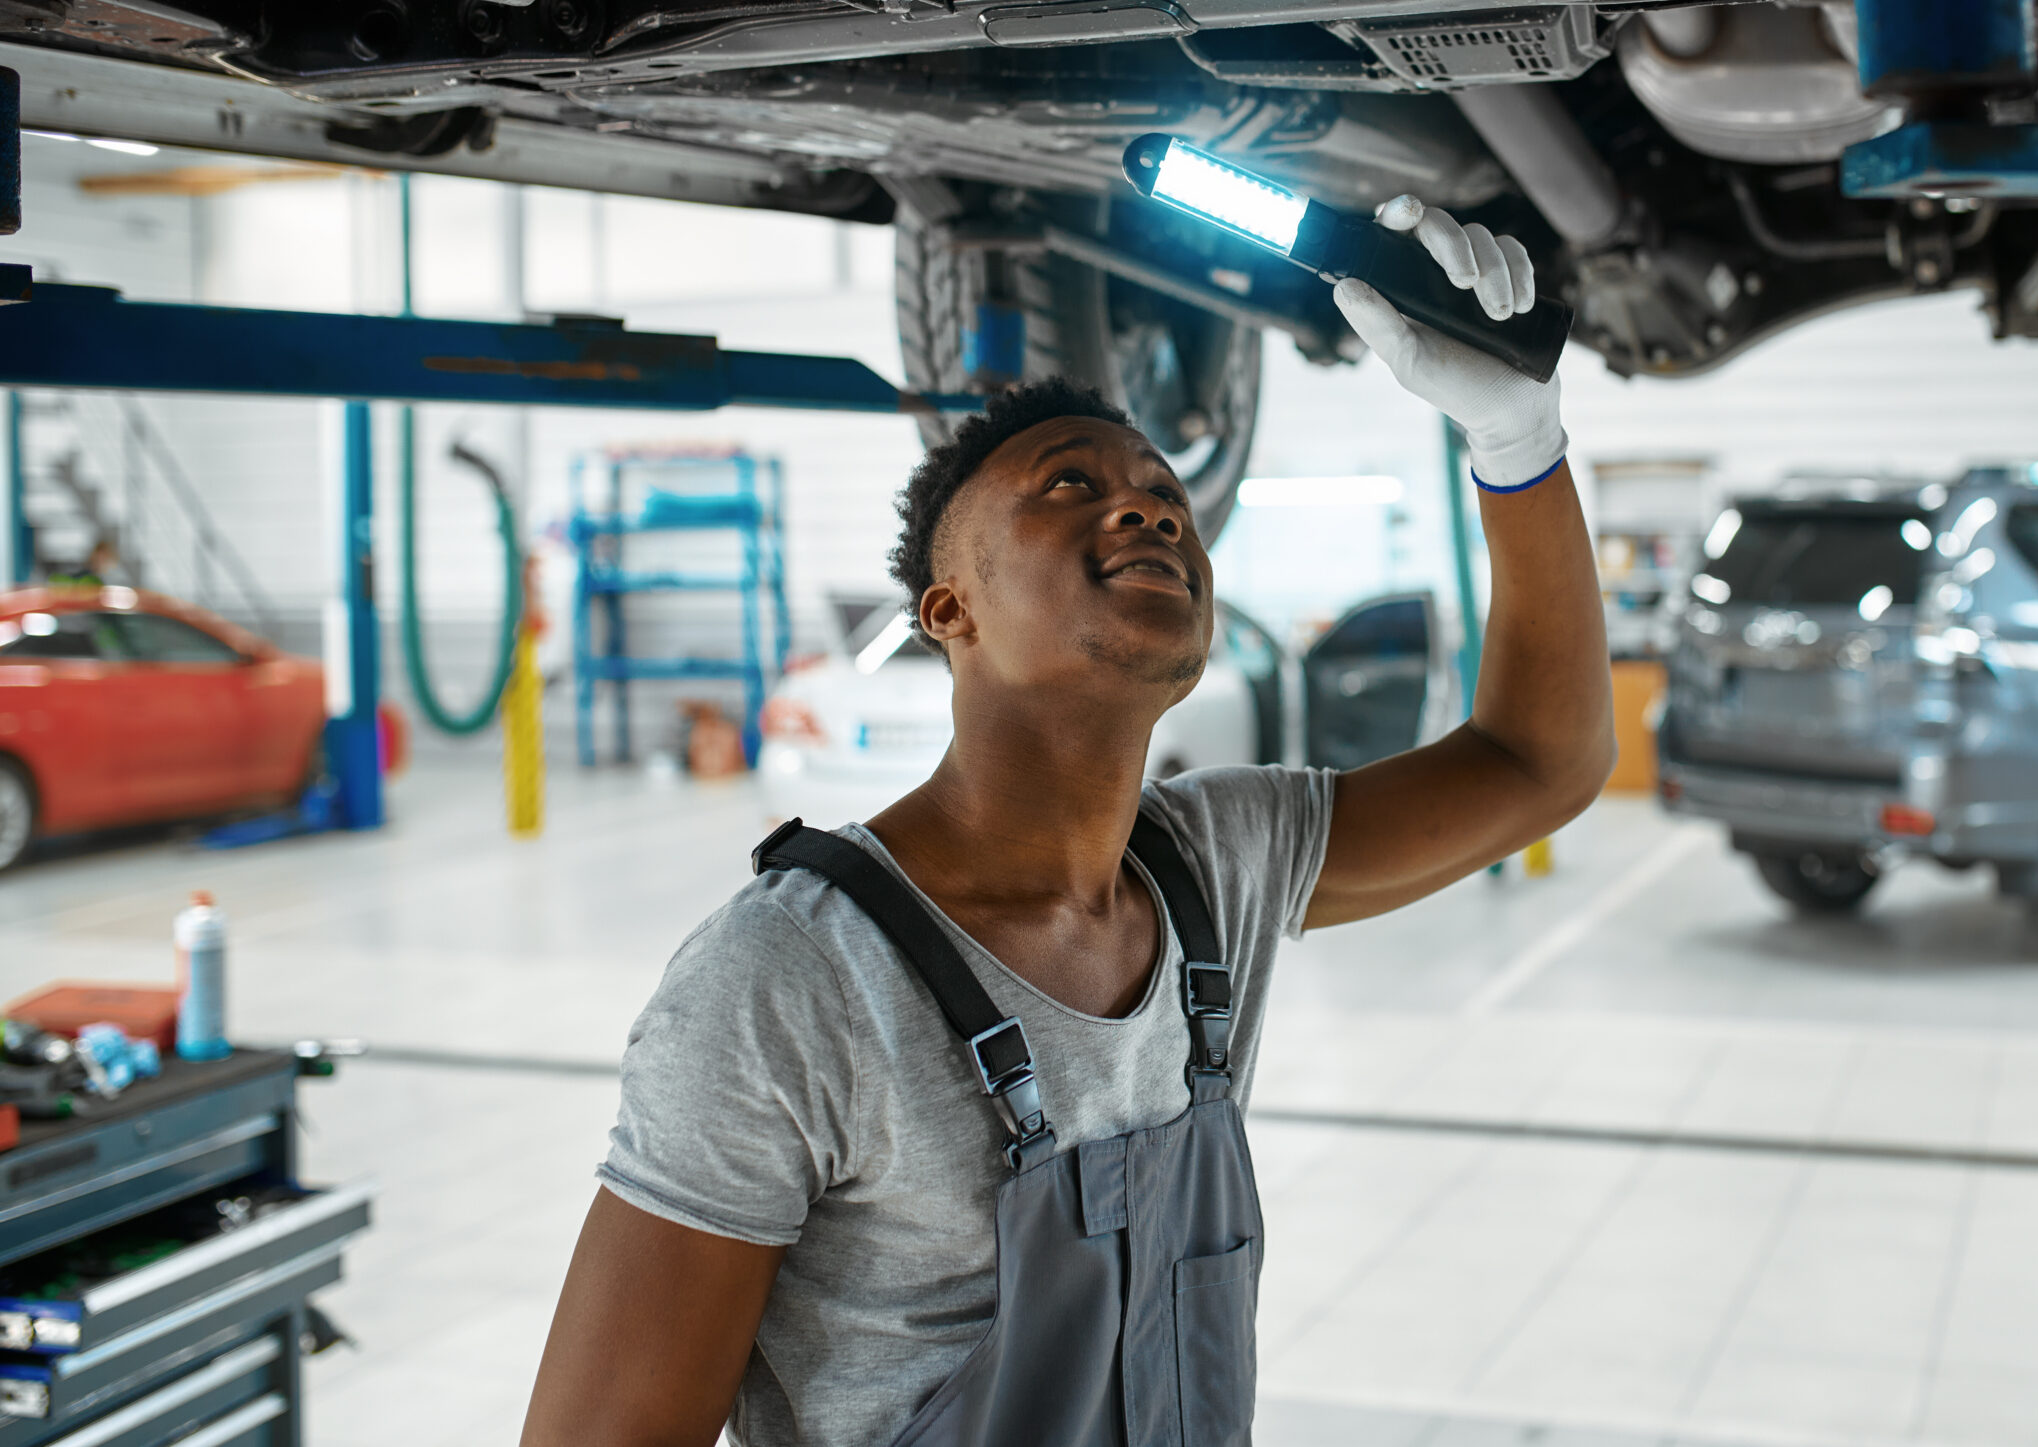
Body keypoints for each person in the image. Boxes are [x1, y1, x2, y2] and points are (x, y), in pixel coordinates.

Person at [520, 195, 1614, 1447]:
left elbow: (1539, 760)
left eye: (1164, 492)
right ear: (950, 610)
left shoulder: (1217, 869)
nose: (1148, 508)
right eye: (1070, 484)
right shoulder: (791, 980)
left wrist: (1519, 439)